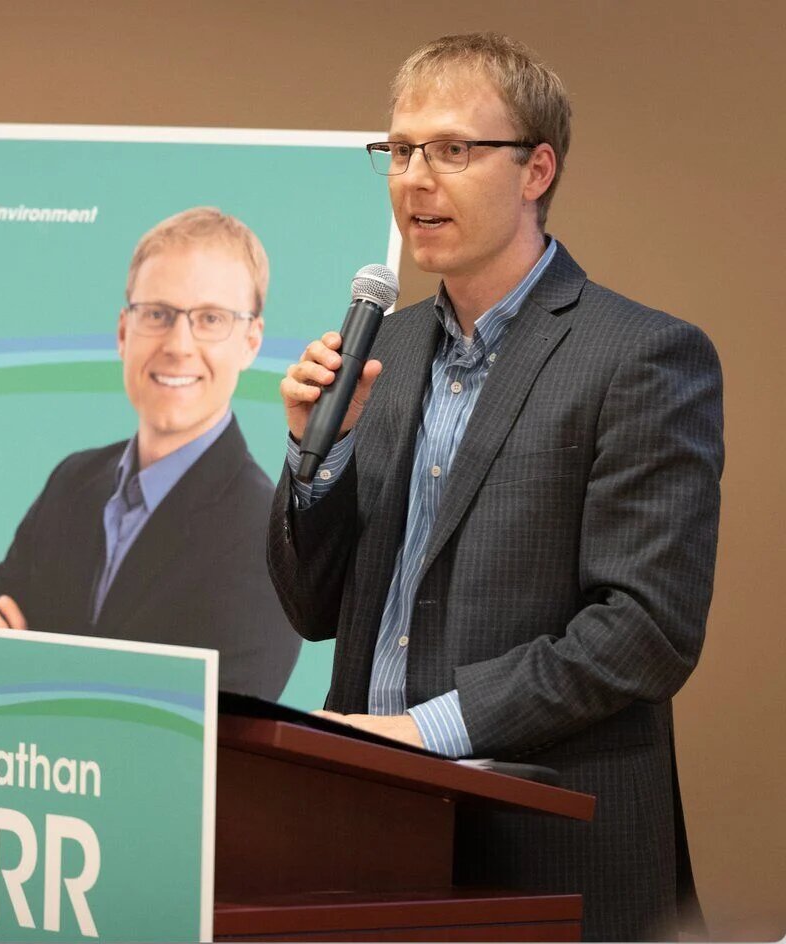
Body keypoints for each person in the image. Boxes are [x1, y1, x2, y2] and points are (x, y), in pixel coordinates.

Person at [268, 33, 722, 941]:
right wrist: (316, 457)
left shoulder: (642, 356)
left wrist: (428, 732)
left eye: (452, 150)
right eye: (400, 150)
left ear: (535, 170)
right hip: (369, 833)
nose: (415, 179)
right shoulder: (383, 351)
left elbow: (645, 630)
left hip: (544, 851)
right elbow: (311, 609)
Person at [0, 207, 300, 699]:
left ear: (251, 343)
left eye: (210, 319)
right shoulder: (72, 484)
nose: (179, 345)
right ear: (124, 332)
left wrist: (27, 679)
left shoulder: (269, 539)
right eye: (158, 315)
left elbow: (213, 733)